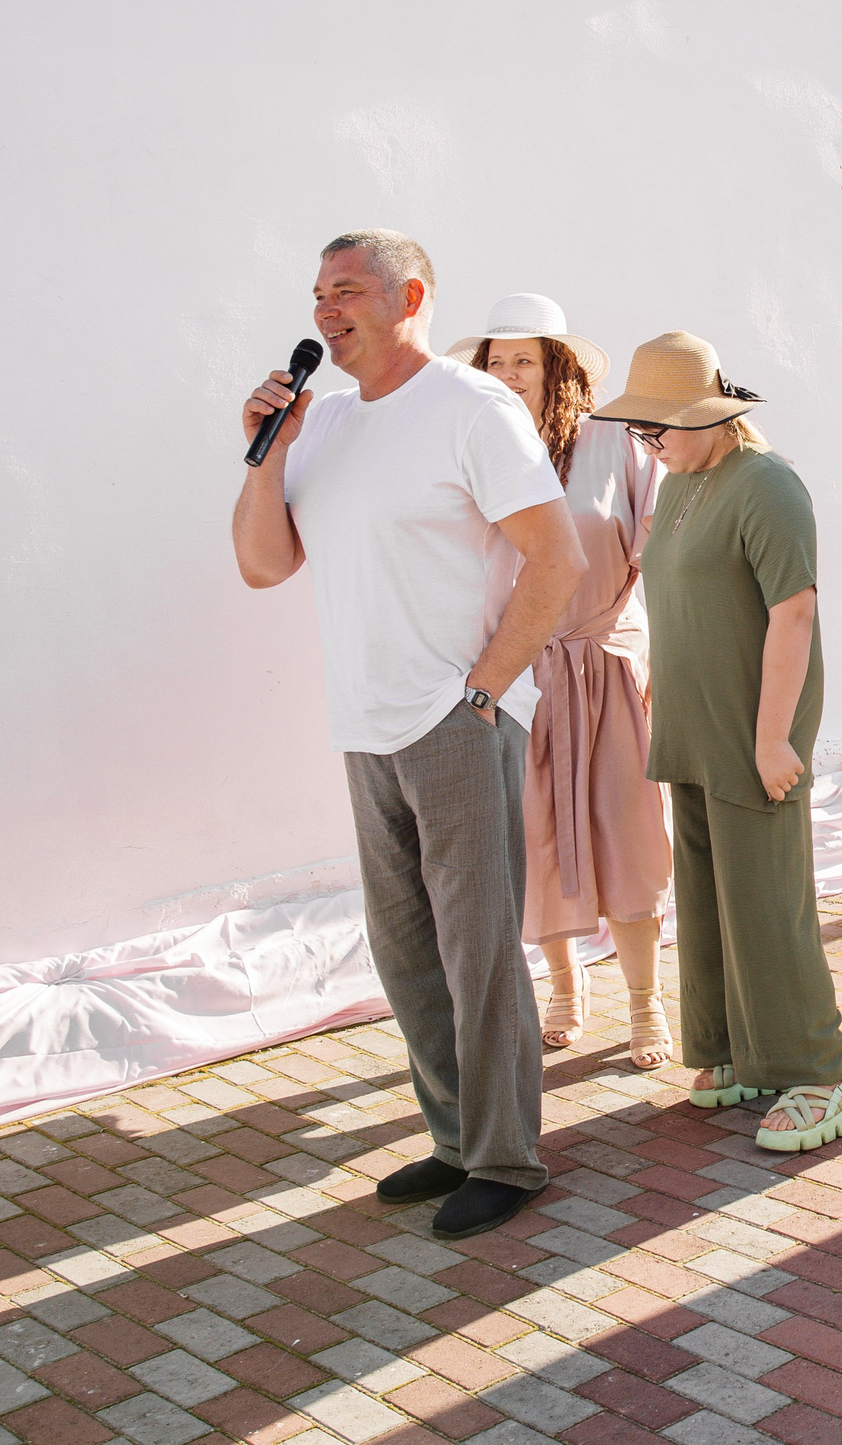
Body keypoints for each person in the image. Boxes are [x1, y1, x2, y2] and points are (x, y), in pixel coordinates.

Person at [233, 231, 584, 1241]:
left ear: (411, 295)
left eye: (346, 289)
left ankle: (509, 1159)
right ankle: (455, 1138)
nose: (324, 309)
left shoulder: (473, 409)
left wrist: (483, 692)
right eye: (316, 294)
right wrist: (269, 452)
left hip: (452, 717)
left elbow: (554, 557)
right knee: (405, 950)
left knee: (478, 948)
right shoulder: (326, 422)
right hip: (365, 720)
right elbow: (263, 565)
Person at [596, 333, 842, 1152]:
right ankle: (736, 1052)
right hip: (692, 724)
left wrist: (776, 736)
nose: (652, 445)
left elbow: (794, 613)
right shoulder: (682, 483)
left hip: (755, 734)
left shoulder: (768, 485)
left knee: (766, 904)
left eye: (662, 429)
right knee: (711, 902)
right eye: (642, 432)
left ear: (711, 413)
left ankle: (826, 1074)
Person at [456, 296, 673, 1067]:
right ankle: (567, 988)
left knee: (628, 828)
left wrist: (652, 656)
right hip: (519, 671)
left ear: (558, 368)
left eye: (525, 359)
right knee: (538, 833)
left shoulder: (615, 442)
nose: (508, 373)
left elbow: (662, 546)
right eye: (497, 359)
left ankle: (646, 1003)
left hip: (607, 660)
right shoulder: (475, 445)